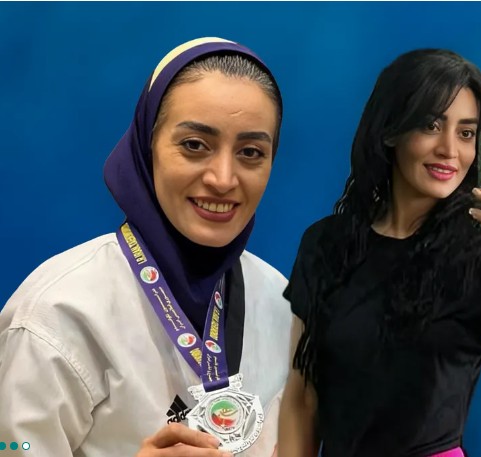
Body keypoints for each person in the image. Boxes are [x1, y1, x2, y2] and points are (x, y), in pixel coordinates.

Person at [0, 37, 291, 457]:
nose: (223, 179)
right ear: (146, 145)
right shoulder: (58, 314)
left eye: (250, 152)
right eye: (195, 145)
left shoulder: (281, 304)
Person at [278, 49, 481, 457]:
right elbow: (302, 399)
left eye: (466, 133)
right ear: (391, 131)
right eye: (431, 125)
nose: (449, 149)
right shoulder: (326, 244)